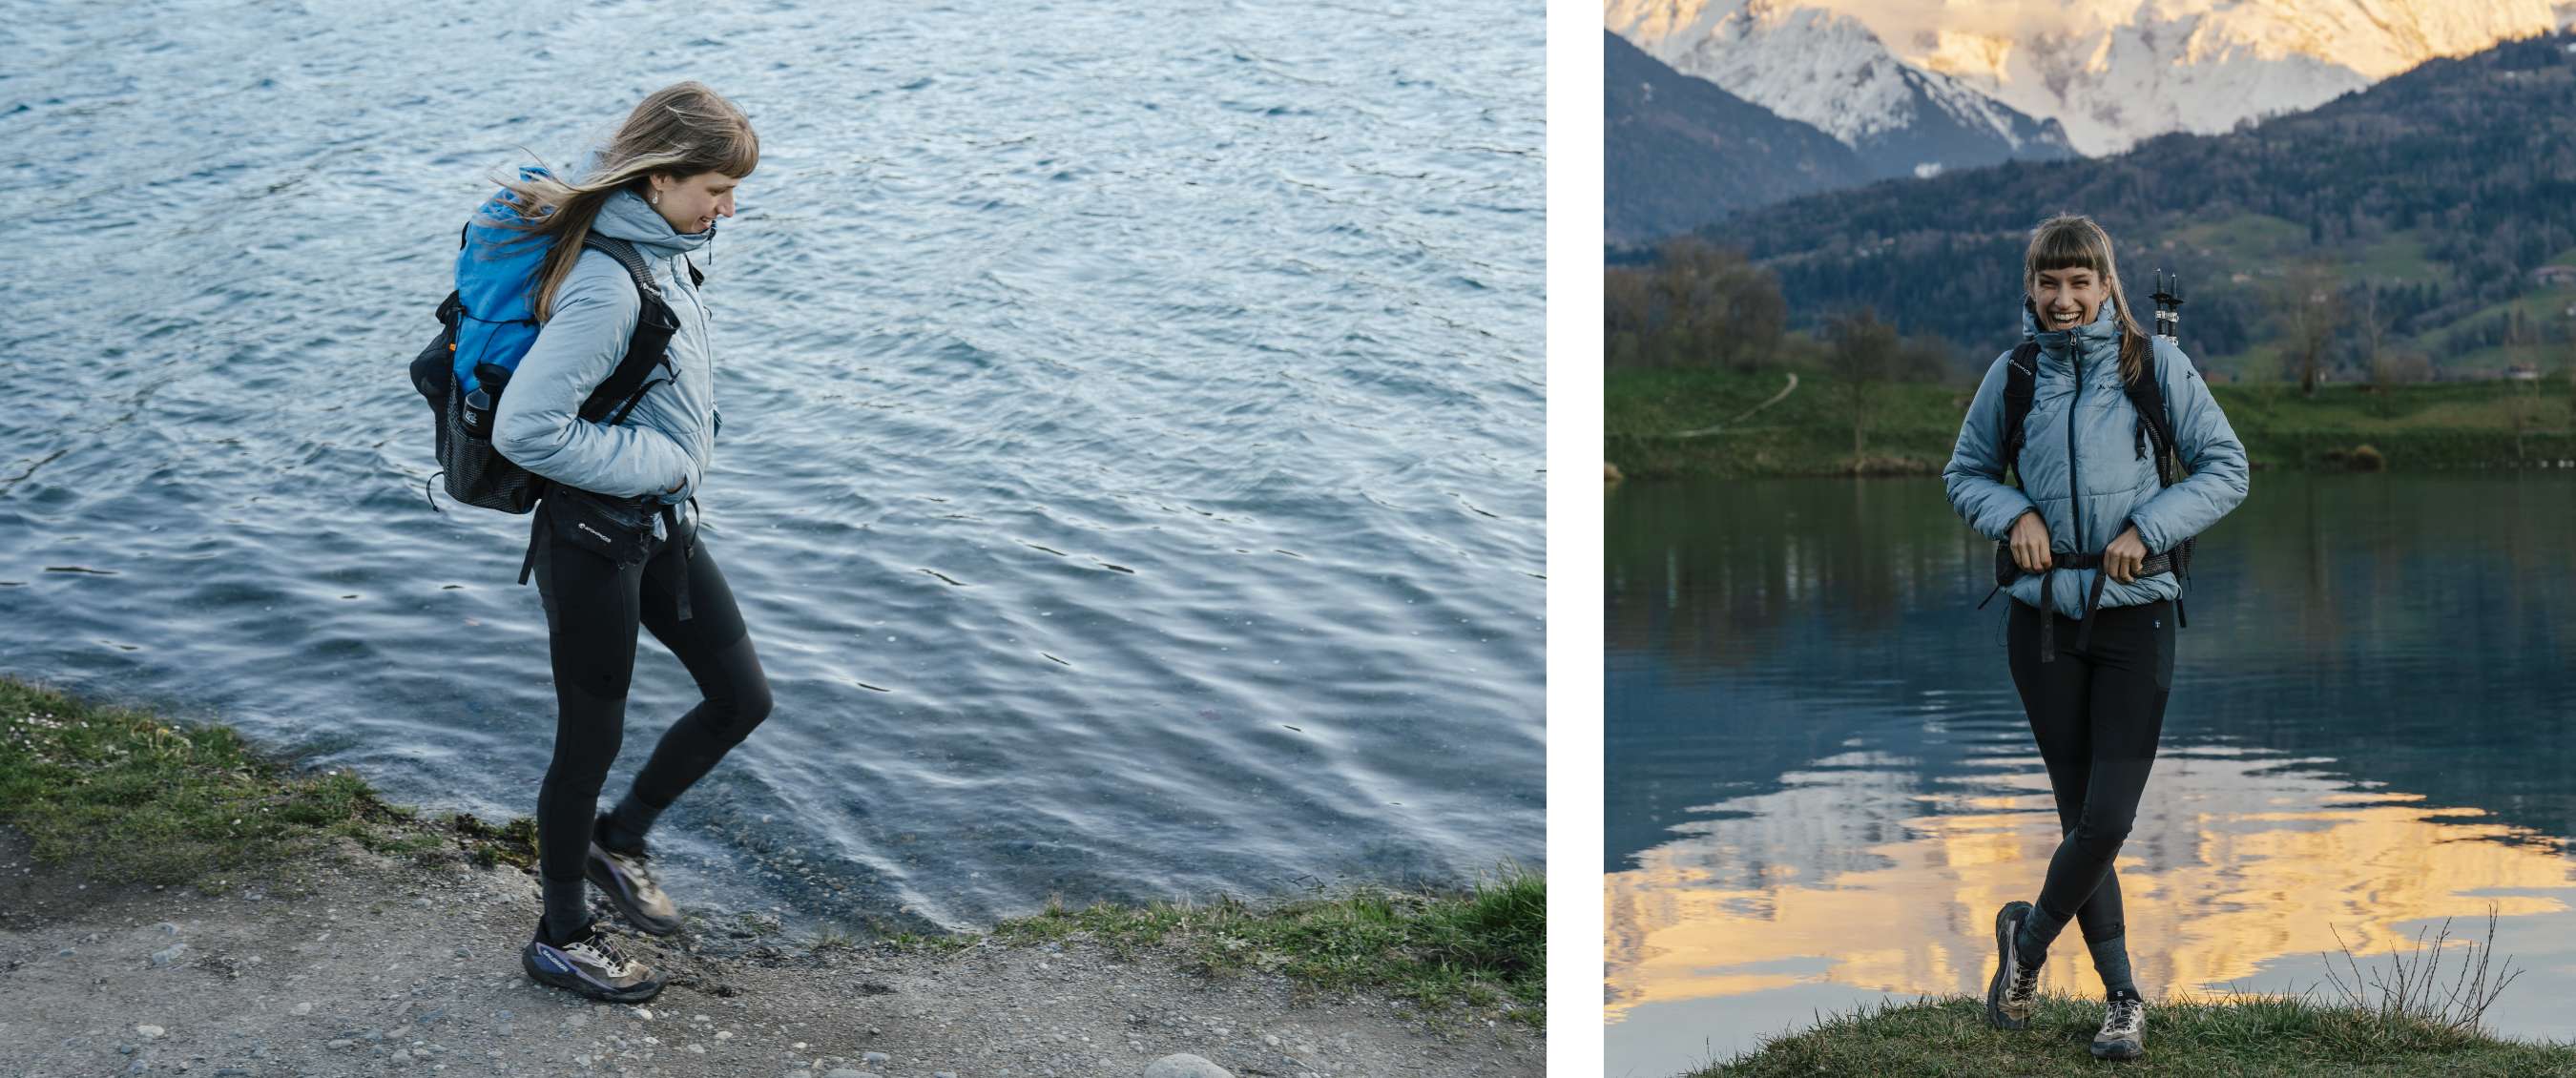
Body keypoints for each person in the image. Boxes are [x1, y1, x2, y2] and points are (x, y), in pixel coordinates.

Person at [482, 81, 767, 1004]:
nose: (728, 207)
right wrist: (661, 462)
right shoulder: (608, 281)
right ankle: (559, 934)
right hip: (593, 540)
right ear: (658, 180)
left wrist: (667, 476)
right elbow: (524, 431)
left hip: (658, 524)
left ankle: (622, 838)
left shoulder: (669, 250)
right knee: (587, 743)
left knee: (741, 697)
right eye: (715, 189)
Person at [1942, 214, 2250, 1061]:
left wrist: (2149, 529)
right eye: (2050, 283)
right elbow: (1964, 474)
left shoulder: (2158, 367)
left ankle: (2026, 946)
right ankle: (2121, 1001)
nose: (2065, 298)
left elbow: (2228, 467)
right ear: (2031, 290)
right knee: (2080, 815)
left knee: (2107, 818)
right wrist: (2015, 515)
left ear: (2107, 286)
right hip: (2040, 626)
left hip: (2135, 616)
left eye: (2081, 282)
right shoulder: (2012, 377)